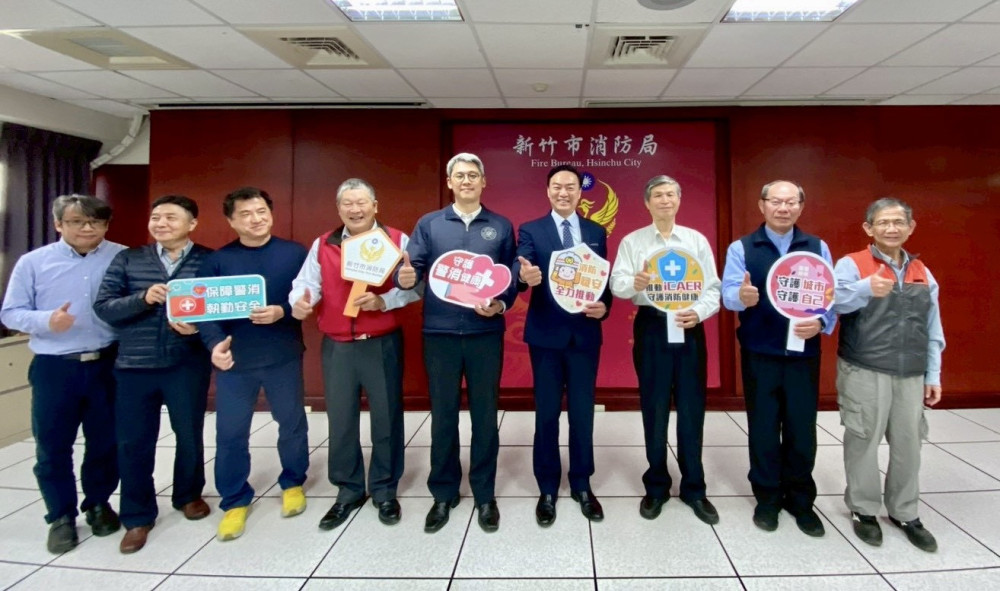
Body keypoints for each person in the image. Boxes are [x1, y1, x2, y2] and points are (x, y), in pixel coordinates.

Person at [289, 178, 420, 530]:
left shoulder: (397, 240)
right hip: (338, 346)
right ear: (339, 209)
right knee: (341, 420)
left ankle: (384, 490)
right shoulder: (324, 244)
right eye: (347, 203)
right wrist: (300, 301)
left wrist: (384, 300)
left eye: (362, 202)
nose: (355, 209)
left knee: (387, 418)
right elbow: (306, 283)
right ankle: (347, 490)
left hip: (381, 342)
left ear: (375, 206)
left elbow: (415, 286)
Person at [396, 153, 517, 533]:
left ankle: (484, 494)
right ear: (449, 182)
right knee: (443, 415)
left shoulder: (500, 225)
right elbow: (412, 269)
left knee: (485, 416)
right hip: (441, 334)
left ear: (483, 182)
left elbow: (510, 276)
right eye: (460, 175)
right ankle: (443, 493)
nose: (466, 181)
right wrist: (403, 278)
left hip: (485, 335)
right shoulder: (430, 223)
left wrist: (500, 304)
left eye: (473, 175)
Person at [1, 194, 125, 553]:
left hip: (107, 362)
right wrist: (46, 320)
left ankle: (98, 503)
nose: (88, 228)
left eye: (96, 222)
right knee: (53, 445)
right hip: (56, 366)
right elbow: (10, 312)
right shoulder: (33, 263)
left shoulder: (122, 256)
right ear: (58, 224)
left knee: (105, 441)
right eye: (77, 221)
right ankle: (60, 516)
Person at [93, 195, 213, 554]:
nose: (161, 223)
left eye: (171, 217)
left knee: (189, 435)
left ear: (192, 224)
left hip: (186, 363)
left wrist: (199, 328)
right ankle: (137, 515)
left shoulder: (209, 260)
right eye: (156, 217)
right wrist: (143, 298)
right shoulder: (128, 259)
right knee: (133, 442)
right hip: (135, 365)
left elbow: (221, 311)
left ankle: (188, 495)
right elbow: (104, 307)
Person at [721, 180, 836, 537]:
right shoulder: (742, 247)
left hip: (804, 354)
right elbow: (728, 294)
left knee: (802, 428)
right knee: (764, 426)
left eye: (791, 202)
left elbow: (830, 297)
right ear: (762, 205)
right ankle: (767, 498)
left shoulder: (817, 247)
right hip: (760, 351)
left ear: (801, 207)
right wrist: (741, 297)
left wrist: (822, 322)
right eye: (776, 201)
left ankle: (801, 500)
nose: (783, 208)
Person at [198, 187, 310, 542]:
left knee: (291, 423)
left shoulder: (295, 253)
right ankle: (234, 499)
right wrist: (214, 345)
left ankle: (293, 482)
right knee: (231, 432)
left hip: (282, 355)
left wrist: (283, 311)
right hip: (235, 361)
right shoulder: (217, 261)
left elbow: (308, 298)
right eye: (245, 214)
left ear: (271, 213)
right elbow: (205, 313)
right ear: (231, 221)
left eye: (261, 211)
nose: (255, 219)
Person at [833, 197, 944, 552]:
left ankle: (904, 512)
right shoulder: (852, 264)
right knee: (863, 440)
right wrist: (866, 288)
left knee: (910, 444)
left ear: (911, 228)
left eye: (898, 222)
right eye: (883, 222)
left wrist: (933, 374)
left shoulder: (922, 271)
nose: (891, 228)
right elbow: (833, 302)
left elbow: (933, 326)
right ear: (869, 228)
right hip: (864, 368)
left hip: (910, 372)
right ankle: (864, 510)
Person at [610, 175, 721, 526]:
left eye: (671, 194)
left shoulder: (695, 240)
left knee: (691, 407)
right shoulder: (633, 241)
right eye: (658, 195)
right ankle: (656, 485)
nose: (665, 200)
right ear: (647, 203)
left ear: (679, 200)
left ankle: (694, 488)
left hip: (689, 325)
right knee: (654, 406)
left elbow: (713, 288)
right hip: (653, 326)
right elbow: (617, 285)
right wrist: (635, 282)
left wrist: (698, 313)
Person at [512, 164, 611, 527]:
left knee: (583, 413)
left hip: (585, 335)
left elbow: (603, 281)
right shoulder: (531, 230)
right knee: (547, 413)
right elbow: (521, 270)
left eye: (570, 186)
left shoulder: (596, 231)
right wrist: (524, 277)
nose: (564, 192)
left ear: (580, 192)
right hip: (547, 335)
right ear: (548, 191)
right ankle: (548, 487)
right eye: (557, 186)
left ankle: (582, 483)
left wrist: (605, 307)